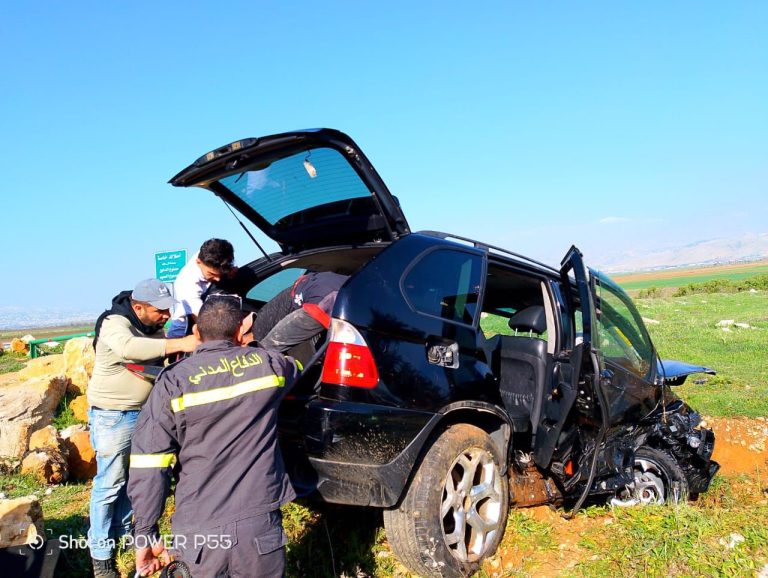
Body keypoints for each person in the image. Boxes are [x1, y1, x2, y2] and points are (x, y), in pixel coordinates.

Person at [128, 295, 301, 577]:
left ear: (196, 332)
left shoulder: (173, 382)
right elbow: (298, 367)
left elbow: (149, 464)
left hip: (198, 535)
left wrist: (145, 532)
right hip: (259, 529)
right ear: (238, 332)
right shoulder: (270, 367)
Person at [87, 279, 200, 578]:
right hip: (113, 415)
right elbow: (129, 349)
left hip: (143, 414)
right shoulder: (115, 323)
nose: (165, 315)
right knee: (109, 483)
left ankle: (125, 537)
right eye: (159, 310)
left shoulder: (150, 327)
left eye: (168, 309)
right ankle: (100, 555)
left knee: (133, 481)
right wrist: (182, 343)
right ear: (138, 307)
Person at [253, 271, 349, 353]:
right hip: (304, 290)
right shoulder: (331, 299)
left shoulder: (331, 300)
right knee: (259, 335)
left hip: (314, 292)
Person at [166, 238, 237, 338]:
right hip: (183, 334)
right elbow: (202, 319)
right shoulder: (187, 282)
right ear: (198, 262)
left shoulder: (212, 254)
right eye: (212, 274)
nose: (217, 279)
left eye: (220, 274)